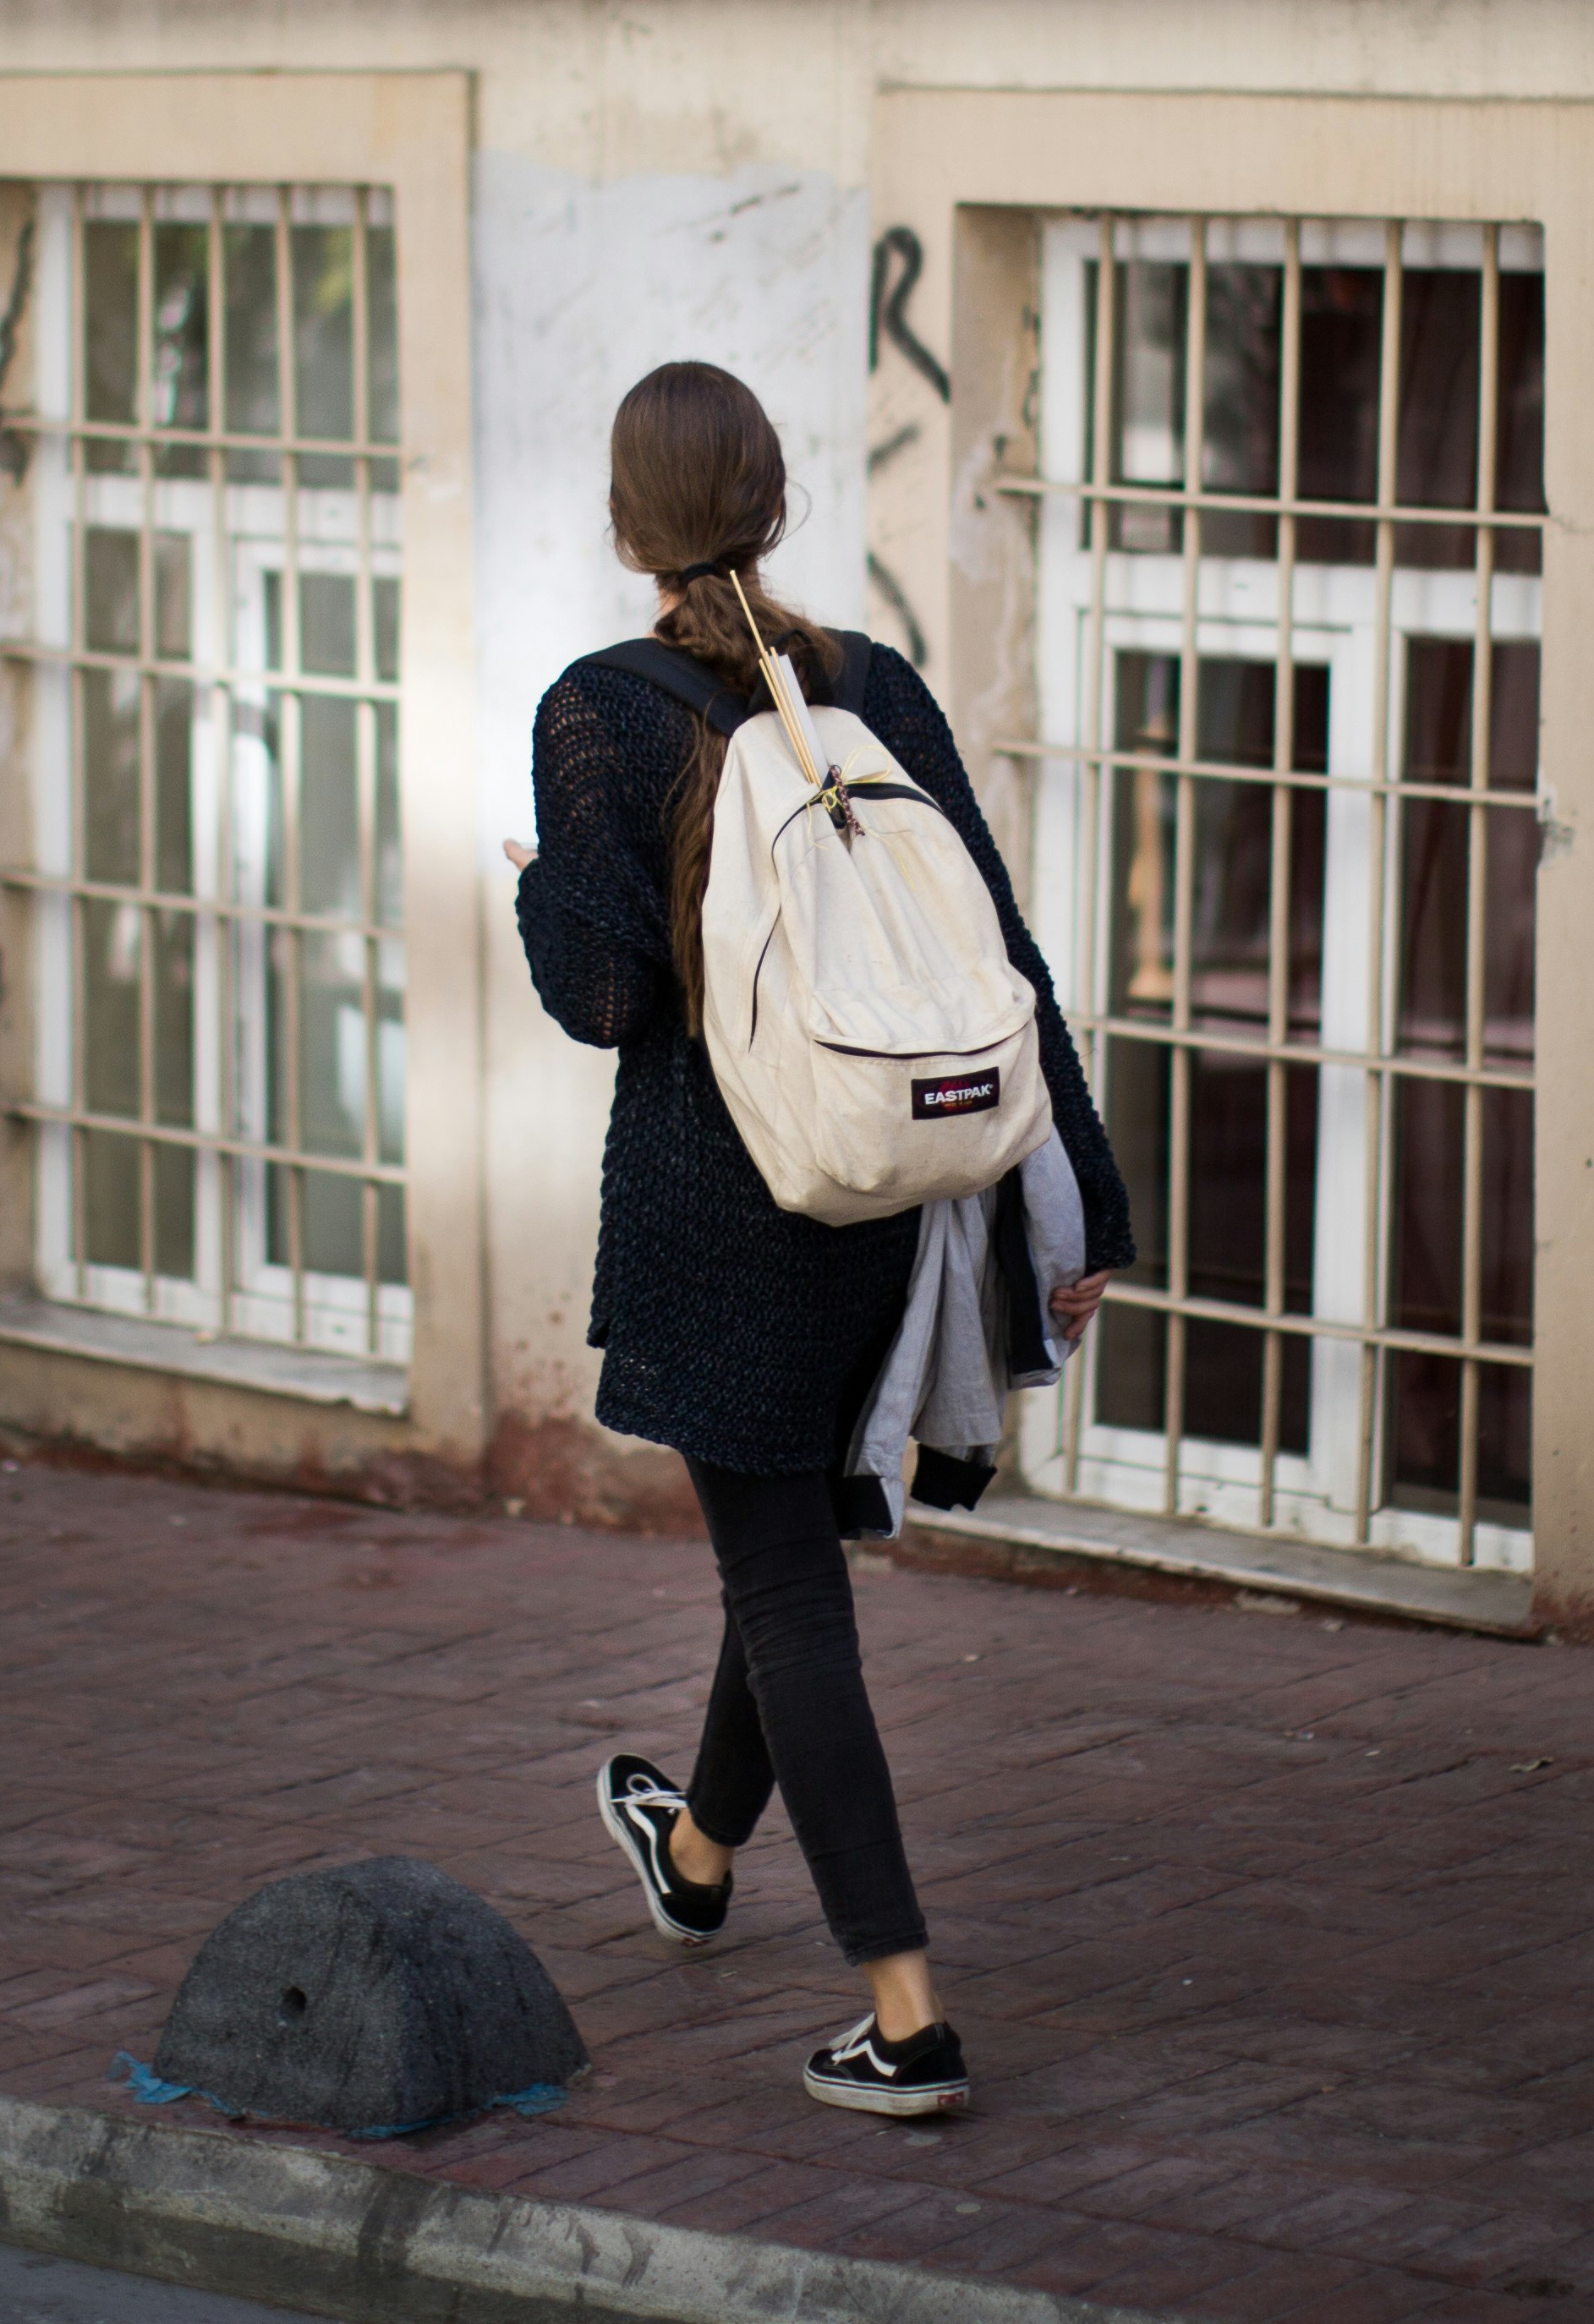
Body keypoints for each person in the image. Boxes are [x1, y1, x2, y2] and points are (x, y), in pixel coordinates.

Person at [509, 360, 1133, 2119]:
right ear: (772, 503)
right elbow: (1000, 955)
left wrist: (542, 874)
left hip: (731, 1210)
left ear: (630, 523)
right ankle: (697, 1854)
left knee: (785, 1585)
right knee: (780, 1549)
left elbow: (607, 992)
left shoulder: (602, 711)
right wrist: (1084, 1194)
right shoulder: (877, 687)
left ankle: (905, 2015)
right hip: (898, 1202)